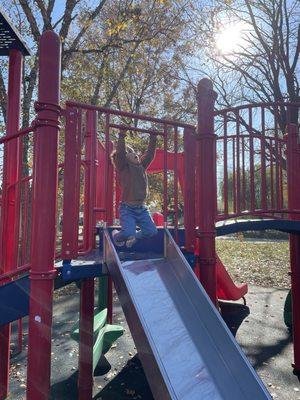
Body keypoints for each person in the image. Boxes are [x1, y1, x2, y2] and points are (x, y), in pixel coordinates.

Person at [111, 130, 158, 247]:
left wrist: (153, 138)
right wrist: (122, 135)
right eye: (131, 154)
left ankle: (135, 237)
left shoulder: (142, 166)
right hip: (128, 208)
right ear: (126, 159)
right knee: (128, 232)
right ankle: (116, 236)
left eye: (136, 154)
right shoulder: (124, 168)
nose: (136, 155)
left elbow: (150, 154)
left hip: (142, 208)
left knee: (152, 231)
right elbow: (121, 154)